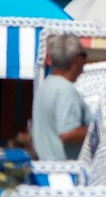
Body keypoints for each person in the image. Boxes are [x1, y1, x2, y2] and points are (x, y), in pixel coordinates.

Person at [32, 33, 90, 161]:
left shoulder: (45, 86)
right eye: (84, 56)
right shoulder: (65, 90)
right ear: (75, 59)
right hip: (66, 173)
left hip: (46, 169)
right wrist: (100, 129)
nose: (86, 62)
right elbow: (67, 133)